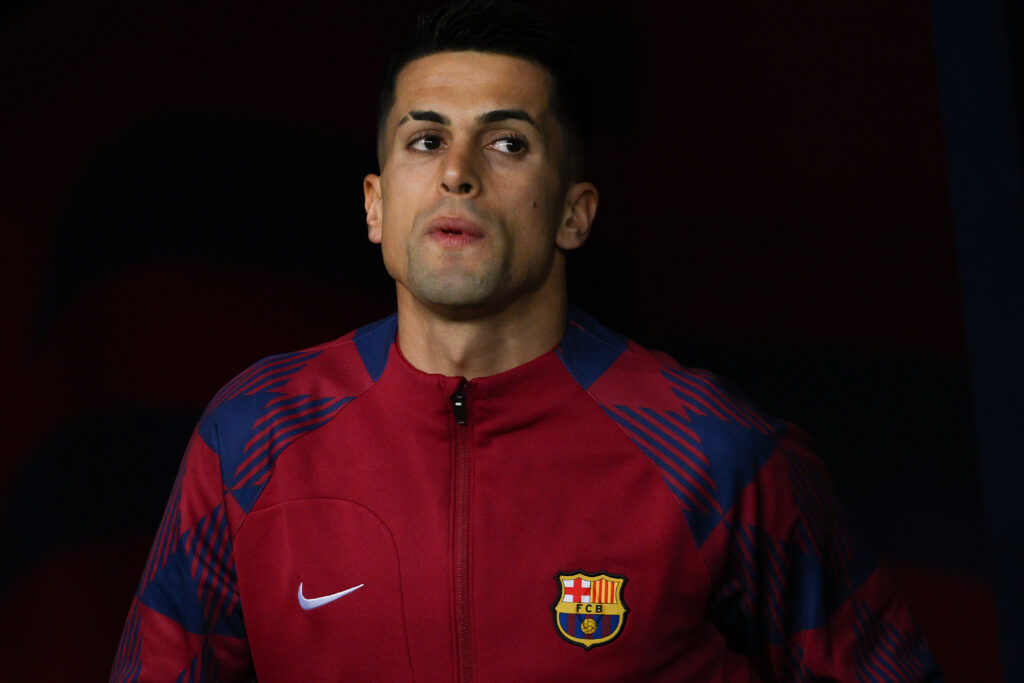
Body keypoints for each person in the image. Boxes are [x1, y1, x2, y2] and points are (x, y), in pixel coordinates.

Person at [112, 1, 941, 680]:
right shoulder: (252, 436)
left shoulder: (717, 453)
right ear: (375, 204)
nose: (458, 171)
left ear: (577, 213)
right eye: (425, 139)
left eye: (507, 142)